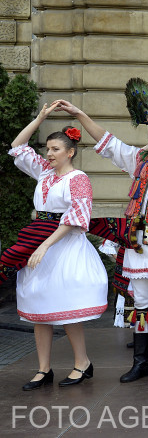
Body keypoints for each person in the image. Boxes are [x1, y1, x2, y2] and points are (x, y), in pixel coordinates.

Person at [58, 99, 148, 385]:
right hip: (138, 237)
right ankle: (141, 363)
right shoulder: (140, 159)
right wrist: (80, 114)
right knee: (141, 301)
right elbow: (109, 143)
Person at [6, 103, 107, 390]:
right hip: (40, 242)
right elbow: (17, 146)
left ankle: (82, 363)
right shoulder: (44, 173)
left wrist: (45, 246)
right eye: (47, 149)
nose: (48, 154)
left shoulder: (79, 179)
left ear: (70, 152)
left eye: (55, 149)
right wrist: (40, 117)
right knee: (40, 305)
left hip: (65, 247)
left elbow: (75, 218)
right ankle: (43, 369)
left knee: (66, 307)